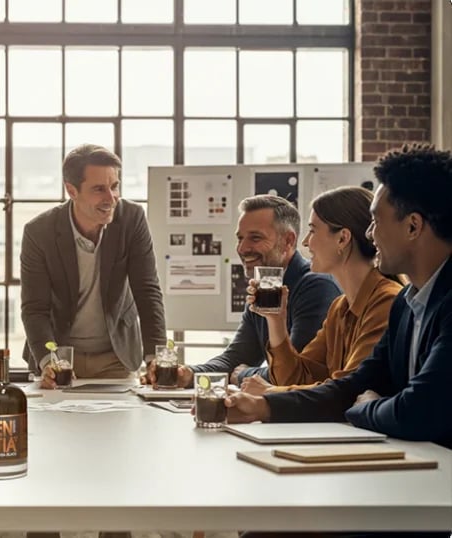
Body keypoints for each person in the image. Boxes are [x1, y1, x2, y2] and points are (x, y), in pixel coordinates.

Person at [228, 144, 452, 538]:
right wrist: (265, 405)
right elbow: (350, 386)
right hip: (409, 479)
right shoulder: (407, 303)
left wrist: (369, 405)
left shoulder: (423, 302)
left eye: (376, 222)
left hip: (430, 499)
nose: (371, 235)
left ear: (413, 226)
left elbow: (418, 410)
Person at [147, 195, 341, 388]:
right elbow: (236, 357)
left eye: (255, 238)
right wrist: (188, 374)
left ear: (288, 241)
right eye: (240, 238)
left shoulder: (316, 287)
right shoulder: (264, 288)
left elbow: (295, 373)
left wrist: (243, 374)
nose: (242, 248)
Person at [20, 143, 166, 388]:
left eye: (115, 186)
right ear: (71, 190)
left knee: (121, 425)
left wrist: (155, 358)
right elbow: (35, 309)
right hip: (61, 359)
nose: (111, 198)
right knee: (55, 426)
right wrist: (50, 361)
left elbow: (147, 291)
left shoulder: (132, 219)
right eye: (99, 189)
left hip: (115, 357)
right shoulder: (39, 232)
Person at [240, 186, 402, 395]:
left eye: (313, 230)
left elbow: (349, 389)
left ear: (342, 239)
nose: (306, 242)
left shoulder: (386, 302)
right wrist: (276, 320)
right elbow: (297, 376)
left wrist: (271, 393)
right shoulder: (339, 308)